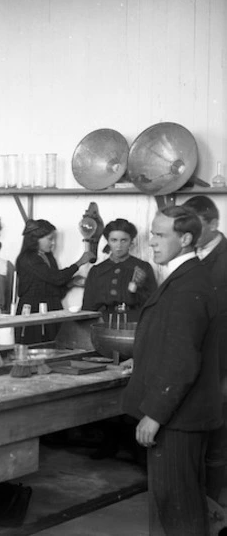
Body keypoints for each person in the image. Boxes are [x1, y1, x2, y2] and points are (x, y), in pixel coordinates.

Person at [122, 205, 221, 535]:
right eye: (152, 233)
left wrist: (155, 414)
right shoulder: (185, 278)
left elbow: (183, 360)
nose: (152, 241)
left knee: (178, 506)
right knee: (179, 503)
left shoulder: (188, 285)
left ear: (187, 238)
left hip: (178, 418)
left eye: (161, 235)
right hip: (184, 414)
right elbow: (174, 342)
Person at [183, 196, 227, 504]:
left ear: (213, 223)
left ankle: (212, 506)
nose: (190, 233)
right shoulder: (191, 257)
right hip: (194, 363)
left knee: (218, 443)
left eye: (197, 226)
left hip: (222, 367)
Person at [15, 219, 94, 344]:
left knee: (54, 346)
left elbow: (55, 289)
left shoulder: (48, 257)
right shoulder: (28, 259)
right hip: (33, 310)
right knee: (35, 346)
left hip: (52, 307)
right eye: (50, 239)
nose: (53, 243)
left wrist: (71, 283)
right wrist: (79, 263)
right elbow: (56, 278)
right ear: (36, 239)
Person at [81, 218, 157, 322]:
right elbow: (88, 307)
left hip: (135, 322)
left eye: (124, 240)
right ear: (108, 241)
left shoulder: (142, 267)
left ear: (131, 242)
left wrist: (138, 288)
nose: (119, 246)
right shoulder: (97, 270)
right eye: (114, 240)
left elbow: (153, 304)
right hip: (104, 322)